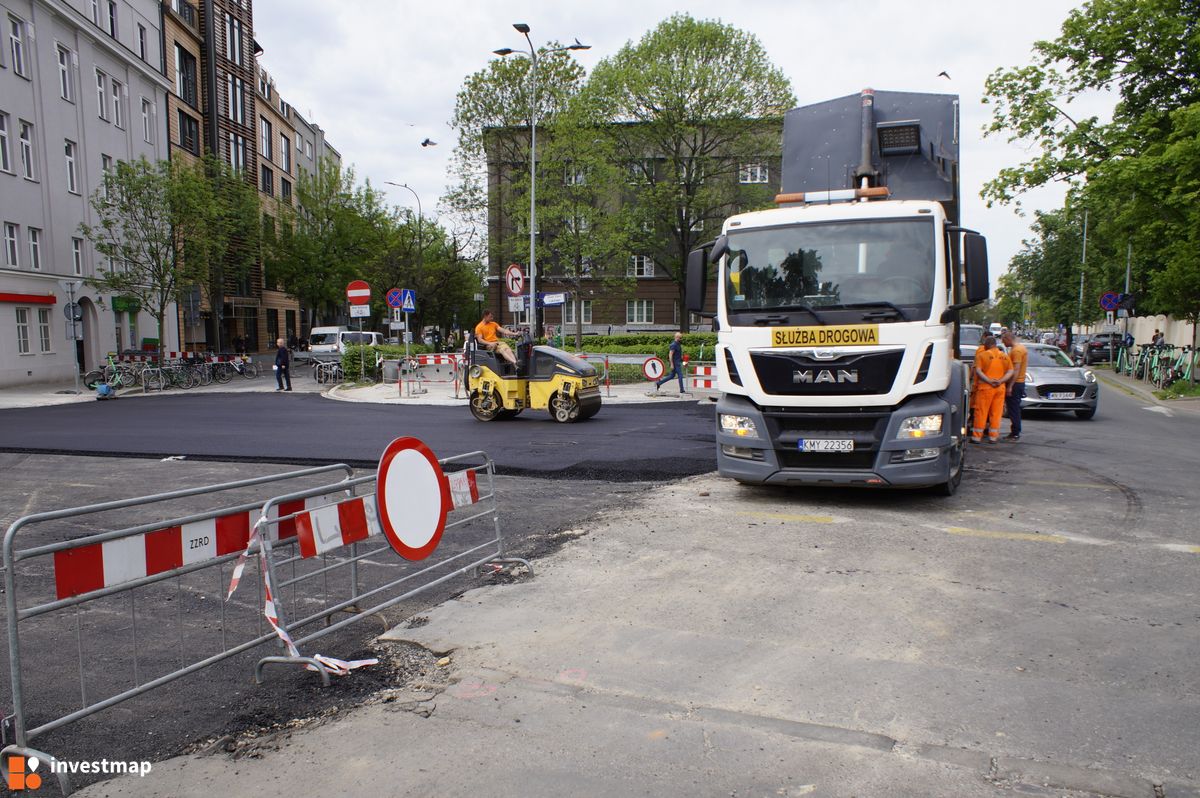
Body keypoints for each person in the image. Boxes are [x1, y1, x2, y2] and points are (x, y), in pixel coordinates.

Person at [971, 335, 1013, 444]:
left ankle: (977, 437)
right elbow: (1010, 372)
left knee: (981, 412)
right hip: (1000, 388)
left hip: (985, 388)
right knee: (996, 413)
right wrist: (1001, 381)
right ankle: (993, 437)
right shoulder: (1004, 356)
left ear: (987, 345)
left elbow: (978, 371)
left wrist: (989, 381)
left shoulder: (982, 355)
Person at [1001, 330, 1027, 441]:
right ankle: (1015, 431)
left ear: (1008, 338)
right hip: (1018, 383)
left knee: (1013, 409)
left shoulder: (1016, 351)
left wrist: (1010, 386)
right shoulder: (1020, 348)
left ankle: (1015, 433)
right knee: (1013, 408)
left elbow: (1016, 370)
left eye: (1003, 340)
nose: (1003, 342)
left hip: (1016, 383)